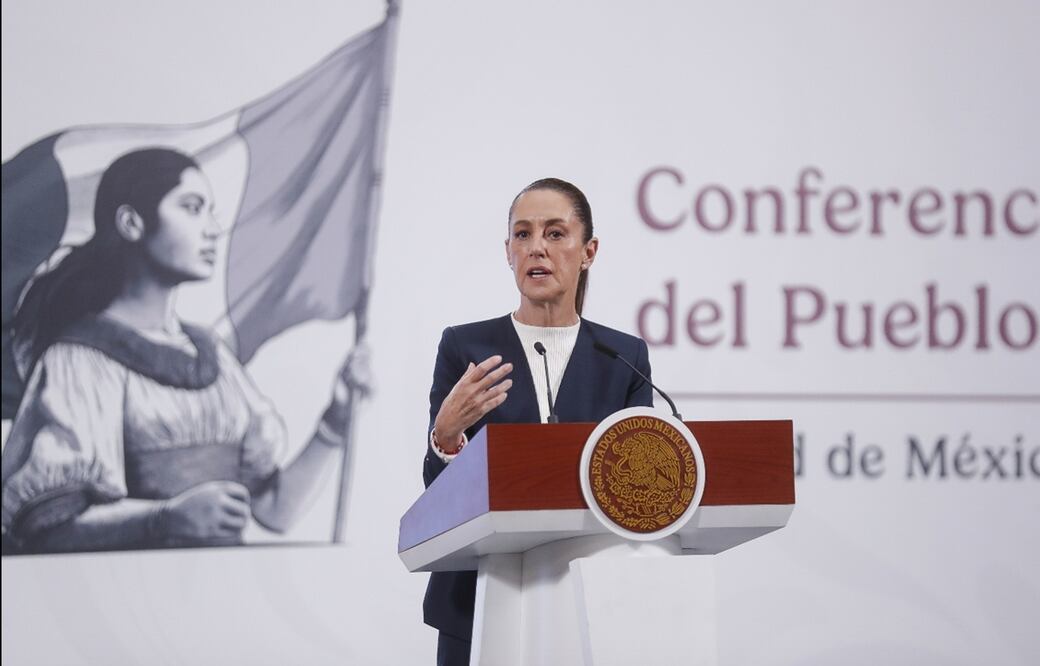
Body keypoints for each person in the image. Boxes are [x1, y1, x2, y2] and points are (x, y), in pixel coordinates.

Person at [0, 147, 368, 553]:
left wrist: (336, 420)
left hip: (224, 585)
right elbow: (49, 528)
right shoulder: (79, 359)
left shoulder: (213, 357)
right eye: (192, 208)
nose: (212, 229)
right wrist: (165, 517)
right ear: (131, 223)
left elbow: (273, 510)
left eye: (210, 211)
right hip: (128, 588)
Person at [422, 178, 654, 665]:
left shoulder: (623, 357)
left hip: (591, 599)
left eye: (555, 233)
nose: (536, 248)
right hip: (478, 597)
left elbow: (641, 491)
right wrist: (445, 436)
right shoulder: (466, 348)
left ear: (588, 252)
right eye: (523, 234)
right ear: (508, 252)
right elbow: (438, 494)